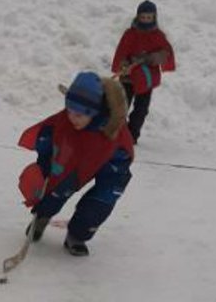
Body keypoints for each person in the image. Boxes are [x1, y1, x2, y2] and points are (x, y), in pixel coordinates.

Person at [17, 70, 134, 257]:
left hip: (109, 165)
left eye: (79, 115)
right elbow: (48, 137)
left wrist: (116, 177)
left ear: (94, 113)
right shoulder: (65, 121)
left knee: (100, 203)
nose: (72, 118)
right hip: (74, 162)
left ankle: (77, 236)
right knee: (55, 187)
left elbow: (124, 152)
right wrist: (44, 165)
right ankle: (42, 216)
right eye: (69, 111)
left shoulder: (113, 129)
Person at [111, 0, 176, 141]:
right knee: (122, 106)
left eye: (149, 17)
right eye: (143, 17)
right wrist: (124, 65)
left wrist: (151, 58)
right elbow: (121, 52)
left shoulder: (158, 36)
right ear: (138, 17)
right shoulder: (130, 34)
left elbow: (166, 54)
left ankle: (132, 134)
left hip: (146, 79)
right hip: (128, 77)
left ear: (154, 17)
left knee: (141, 110)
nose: (146, 20)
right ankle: (117, 132)